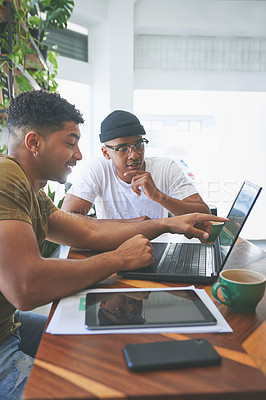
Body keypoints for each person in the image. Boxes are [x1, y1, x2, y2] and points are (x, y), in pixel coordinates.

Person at [0, 90, 226, 399]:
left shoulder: (31, 192)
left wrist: (164, 223)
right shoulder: (5, 177)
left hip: (9, 325)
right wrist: (117, 259)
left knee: (103, 348)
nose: (79, 155)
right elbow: (26, 288)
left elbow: (88, 231)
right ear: (34, 143)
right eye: (70, 142)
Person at [62, 110, 210, 220]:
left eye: (139, 145)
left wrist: (158, 196)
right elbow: (68, 217)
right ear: (106, 153)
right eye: (123, 149)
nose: (134, 155)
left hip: (157, 247)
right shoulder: (99, 169)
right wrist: (135, 226)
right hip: (113, 249)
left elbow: (204, 215)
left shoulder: (166, 168)